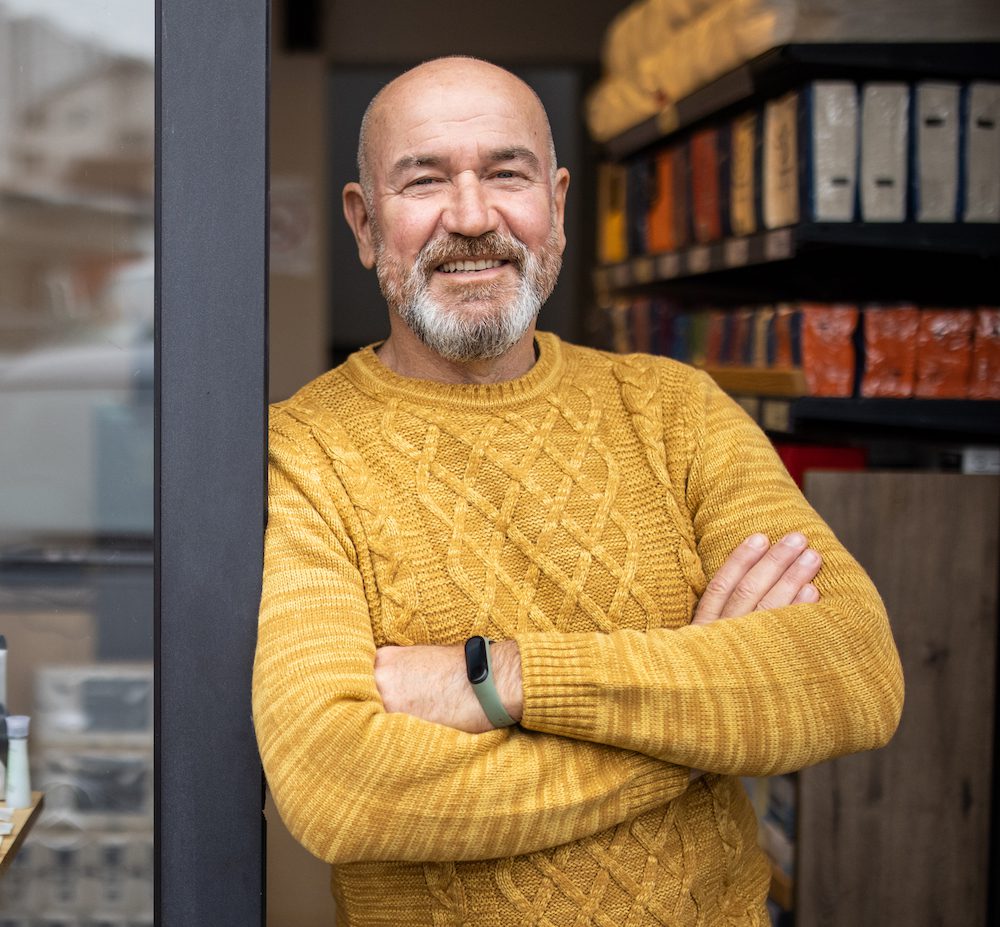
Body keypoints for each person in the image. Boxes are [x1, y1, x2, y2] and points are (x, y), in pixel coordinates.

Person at [252, 56, 903, 926]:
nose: (474, 216)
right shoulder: (301, 450)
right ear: (366, 225)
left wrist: (503, 679)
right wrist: (704, 723)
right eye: (425, 181)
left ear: (557, 206)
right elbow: (341, 785)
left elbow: (854, 667)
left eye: (506, 174)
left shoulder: (674, 409)